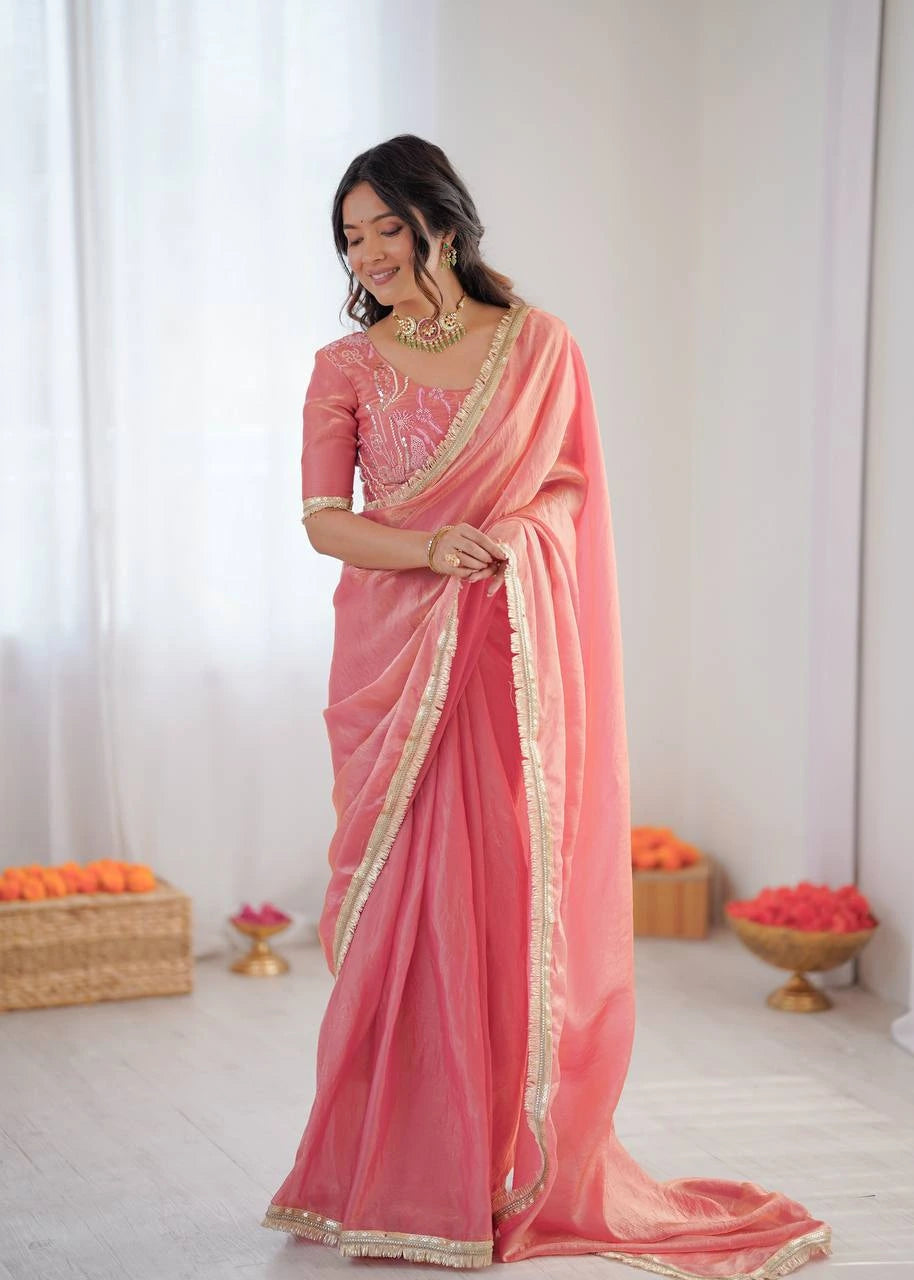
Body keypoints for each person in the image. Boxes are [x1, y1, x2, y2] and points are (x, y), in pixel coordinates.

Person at [261, 134, 832, 1277]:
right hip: (395, 666)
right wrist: (430, 546)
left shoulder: (539, 347)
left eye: (386, 227)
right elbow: (324, 521)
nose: (367, 253)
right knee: (399, 914)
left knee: (503, 902)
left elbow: (568, 490)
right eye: (350, 236)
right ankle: (388, 1170)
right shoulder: (343, 365)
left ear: (441, 222)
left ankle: (498, 1164)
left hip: (504, 660)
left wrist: (513, 540)